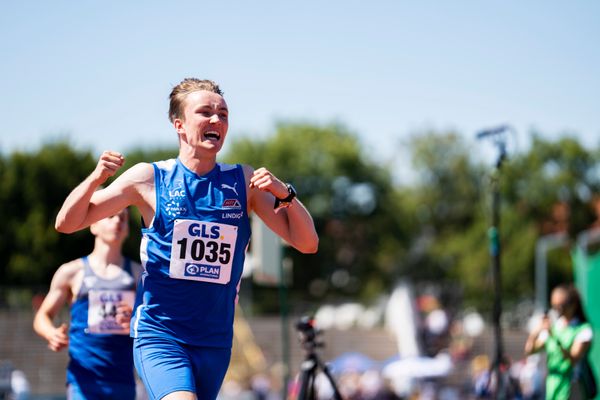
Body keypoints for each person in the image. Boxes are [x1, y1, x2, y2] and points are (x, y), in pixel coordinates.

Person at [54, 78, 319, 400]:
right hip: (161, 334)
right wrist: (96, 178)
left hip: (215, 340)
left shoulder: (243, 181)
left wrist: (285, 193)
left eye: (223, 114)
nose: (216, 120)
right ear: (179, 125)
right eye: (205, 112)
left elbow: (307, 243)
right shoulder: (149, 179)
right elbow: (67, 223)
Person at [33, 208, 142, 399]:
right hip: (83, 380)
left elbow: (153, 318)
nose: (117, 221)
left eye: (123, 218)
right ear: (94, 225)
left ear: (127, 229)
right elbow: (42, 316)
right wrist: (51, 333)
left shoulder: (138, 275)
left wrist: (136, 319)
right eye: (110, 216)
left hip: (122, 379)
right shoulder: (72, 272)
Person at [524, 283, 594, 399]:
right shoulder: (556, 326)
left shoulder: (584, 330)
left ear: (573, 305)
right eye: (554, 306)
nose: (557, 309)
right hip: (552, 383)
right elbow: (529, 351)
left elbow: (573, 359)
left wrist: (554, 337)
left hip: (573, 384)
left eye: (561, 305)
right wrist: (535, 332)